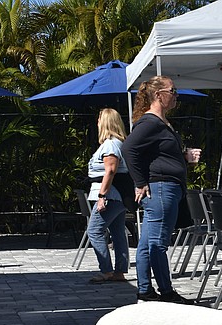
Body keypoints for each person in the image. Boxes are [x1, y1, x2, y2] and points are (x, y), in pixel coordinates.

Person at [122, 76, 202, 304]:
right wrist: (139, 182)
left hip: (163, 187)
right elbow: (129, 149)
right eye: (173, 91)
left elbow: (158, 154)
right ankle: (165, 293)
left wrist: (184, 156)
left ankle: (146, 291)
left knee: (148, 243)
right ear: (158, 95)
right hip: (160, 188)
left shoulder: (160, 123)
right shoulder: (150, 123)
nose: (176, 95)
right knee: (157, 243)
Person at [86, 108, 131, 284]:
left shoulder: (111, 144)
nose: (97, 122)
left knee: (94, 231)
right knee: (118, 231)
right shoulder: (117, 143)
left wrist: (102, 195)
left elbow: (110, 170)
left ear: (105, 122)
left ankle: (106, 271)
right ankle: (120, 270)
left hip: (110, 195)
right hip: (117, 195)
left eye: (99, 119)